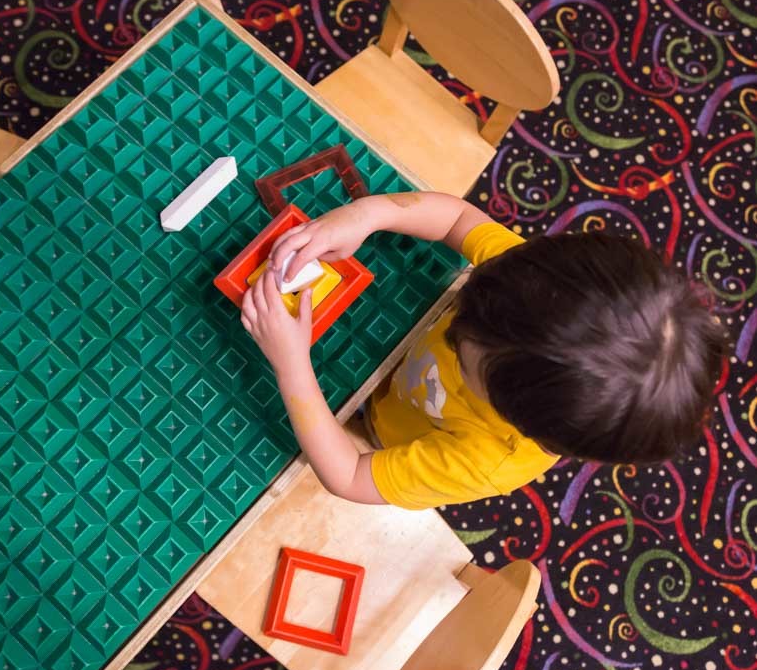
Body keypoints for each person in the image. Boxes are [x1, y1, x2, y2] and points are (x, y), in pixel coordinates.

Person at [239, 192, 725, 509]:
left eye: (464, 356)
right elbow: (455, 217)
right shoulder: (534, 291)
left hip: (375, 433)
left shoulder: (487, 460)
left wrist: (291, 365)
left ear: (515, 417)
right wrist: (367, 215)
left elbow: (348, 476)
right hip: (391, 358)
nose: (453, 334)